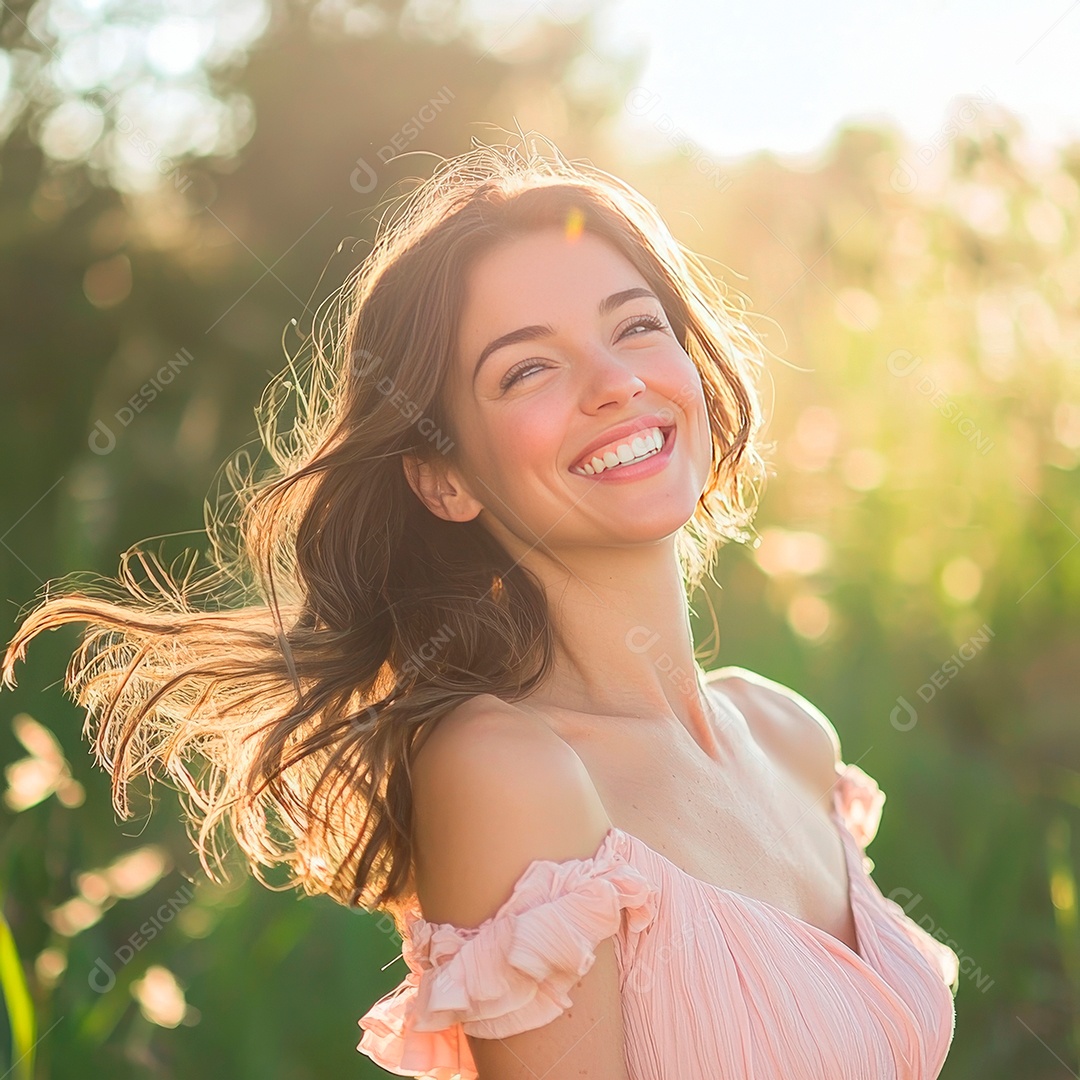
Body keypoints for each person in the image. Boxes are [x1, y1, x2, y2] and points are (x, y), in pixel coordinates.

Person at [2, 134, 959, 1079]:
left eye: (635, 326)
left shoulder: (790, 734)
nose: (617, 383)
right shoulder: (506, 773)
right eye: (527, 369)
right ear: (443, 477)